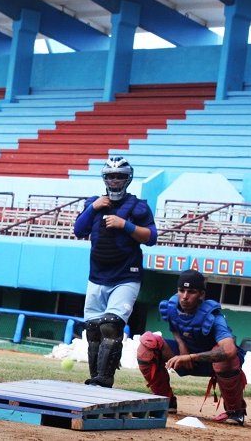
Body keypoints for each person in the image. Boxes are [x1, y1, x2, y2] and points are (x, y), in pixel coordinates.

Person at [73, 156, 157, 388]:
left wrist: (125, 225)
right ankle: (94, 379)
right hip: (97, 275)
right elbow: (79, 230)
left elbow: (151, 237)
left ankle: (105, 379)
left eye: (120, 176)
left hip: (126, 275)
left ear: (127, 178)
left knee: (110, 324)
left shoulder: (138, 206)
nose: (115, 180)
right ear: (105, 178)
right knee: (93, 328)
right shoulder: (95, 203)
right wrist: (93, 208)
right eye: (111, 176)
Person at [136, 270, 247, 424]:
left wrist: (189, 357)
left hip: (211, 363)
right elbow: (174, 325)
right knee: (147, 344)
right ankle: (165, 401)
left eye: (191, 292)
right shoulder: (172, 307)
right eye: (181, 290)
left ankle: (235, 411)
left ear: (201, 294)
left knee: (226, 359)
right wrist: (181, 344)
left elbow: (229, 350)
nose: (185, 296)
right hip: (186, 357)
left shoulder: (213, 316)